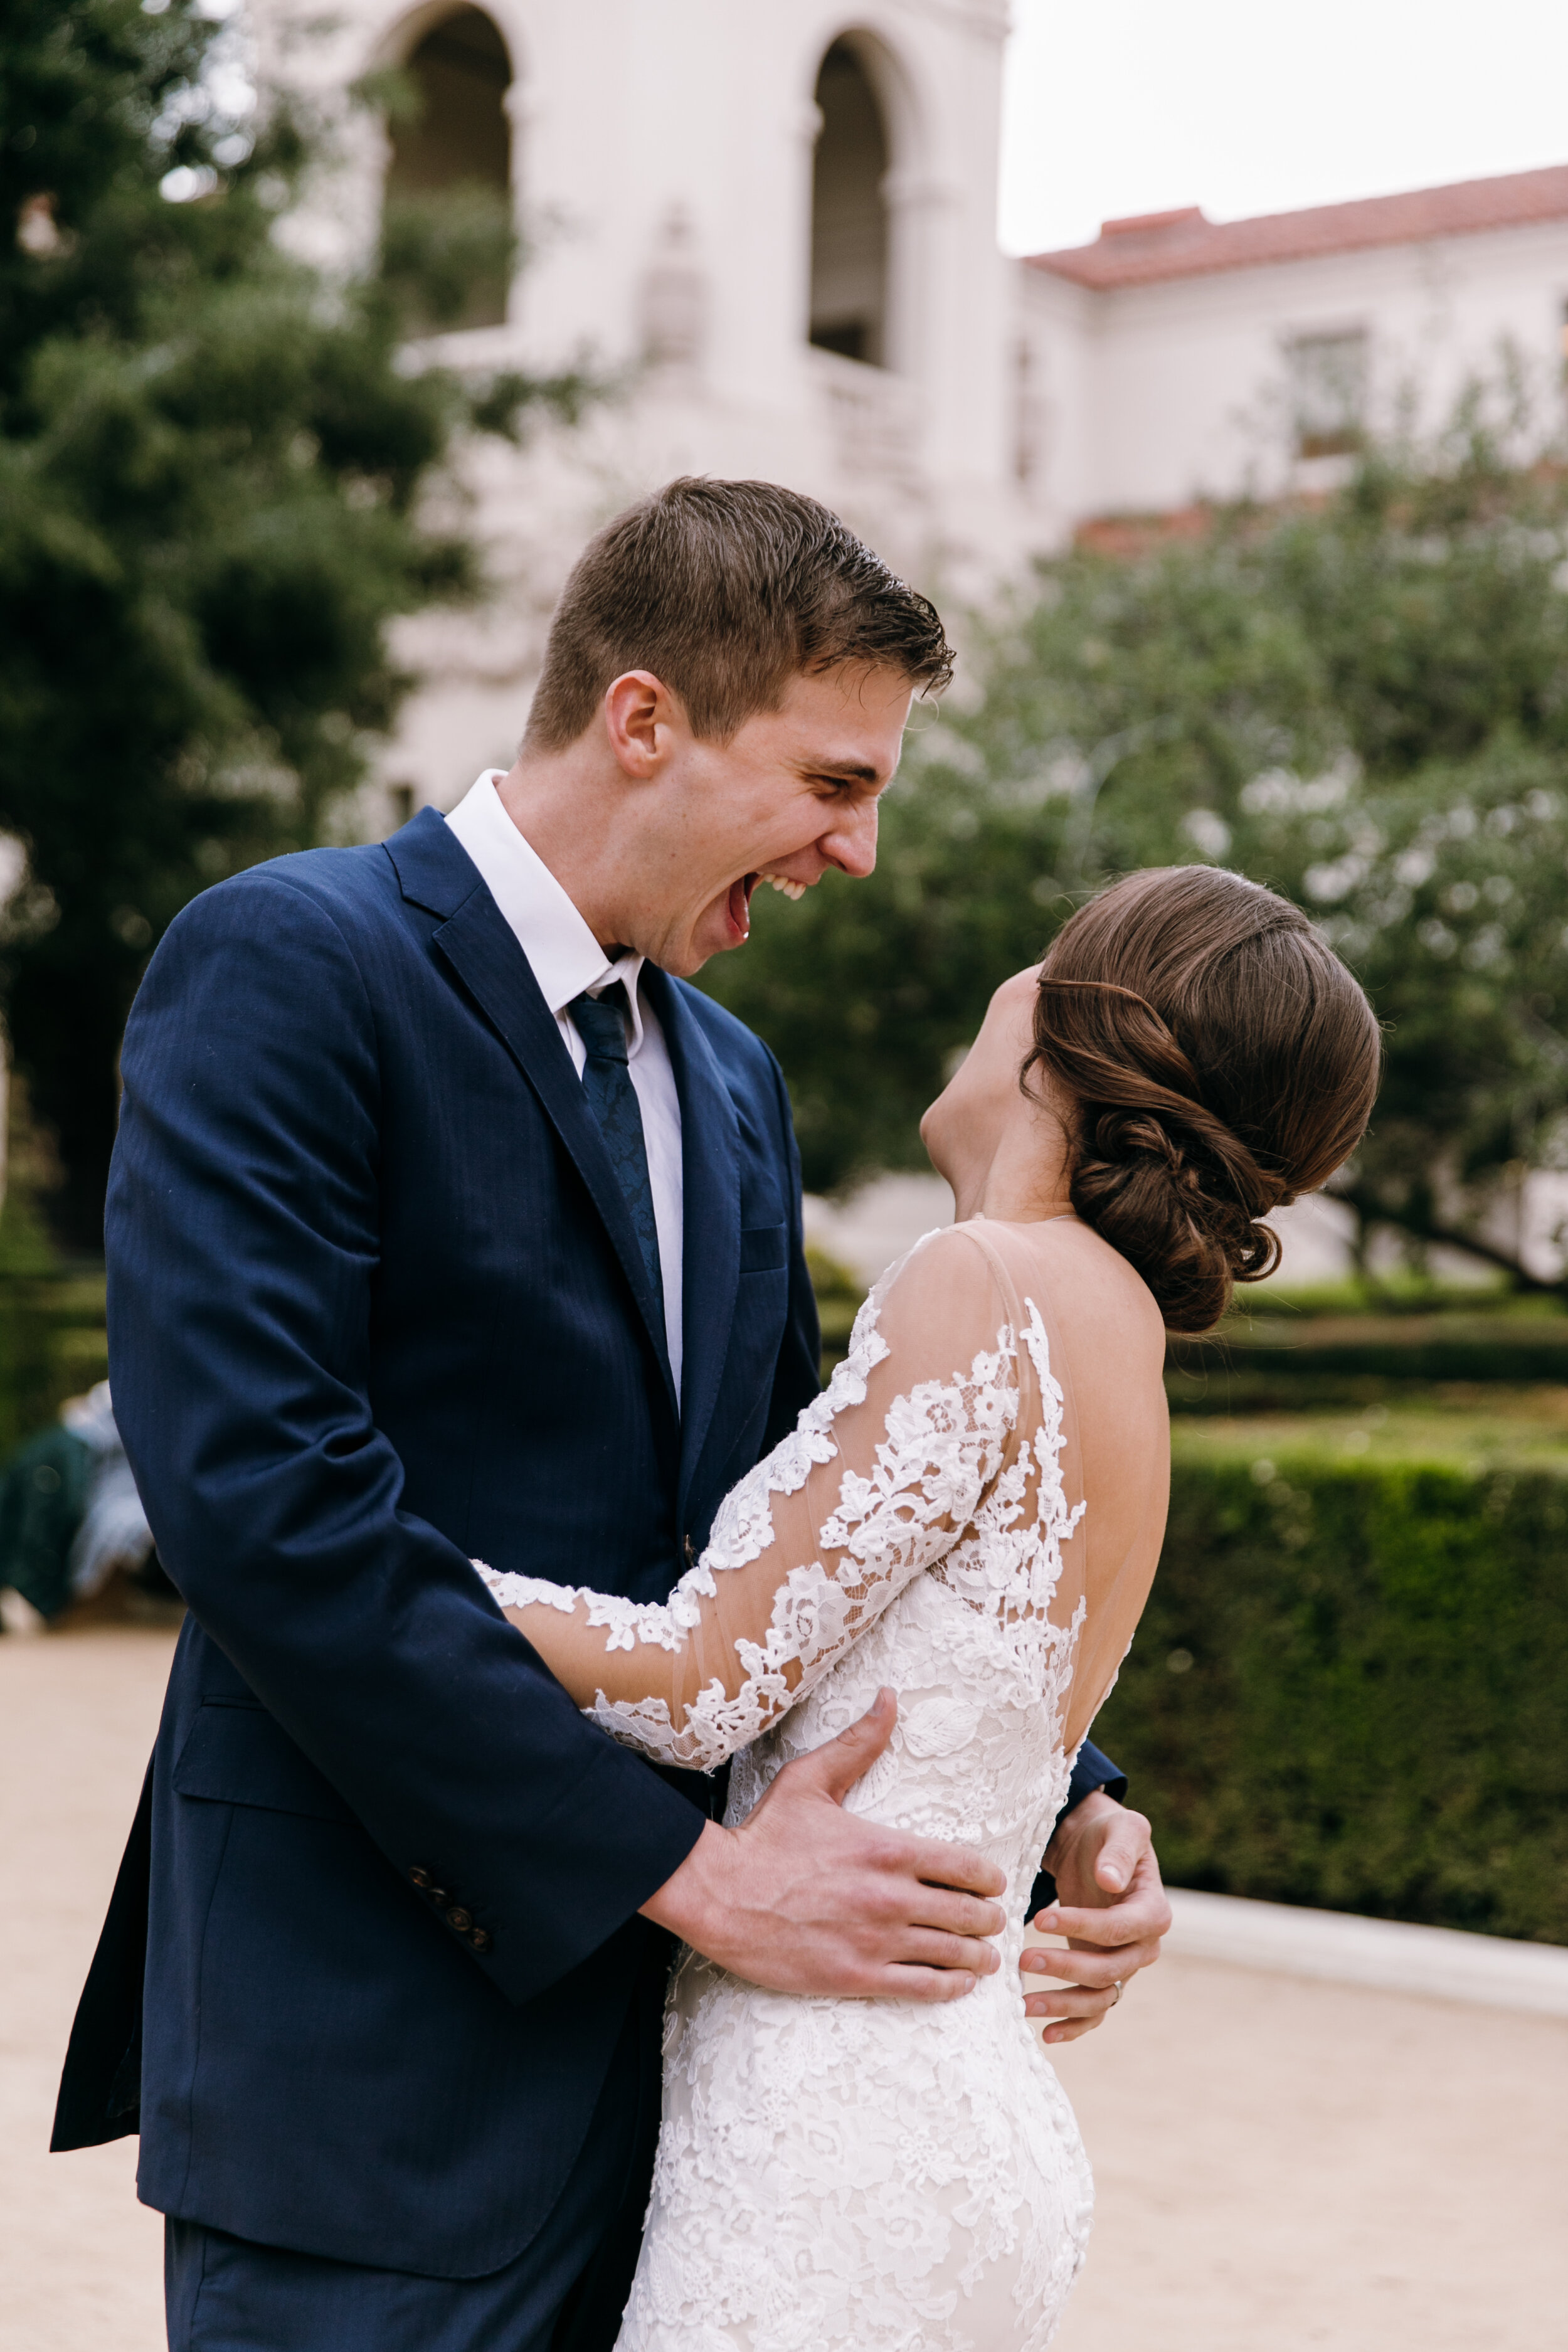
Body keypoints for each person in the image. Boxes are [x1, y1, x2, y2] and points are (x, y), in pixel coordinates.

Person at [51, 480, 1167, 2352]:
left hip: (687, 2105)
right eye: (831, 781)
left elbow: (811, 1504)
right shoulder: (287, 963)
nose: (860, 851)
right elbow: (260, 1495)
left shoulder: (734, 1076)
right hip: (371, 2055)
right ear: (643, 717)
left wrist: (1069, 1800)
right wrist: (696, 1877)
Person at [485, 864, 1383, 2348]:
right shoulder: (1119, 1338)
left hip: (830, 2134)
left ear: (1064, 1030)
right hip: (966, 2123)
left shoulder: (974, 1282)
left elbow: (700, 1680)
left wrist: (376, 1565)